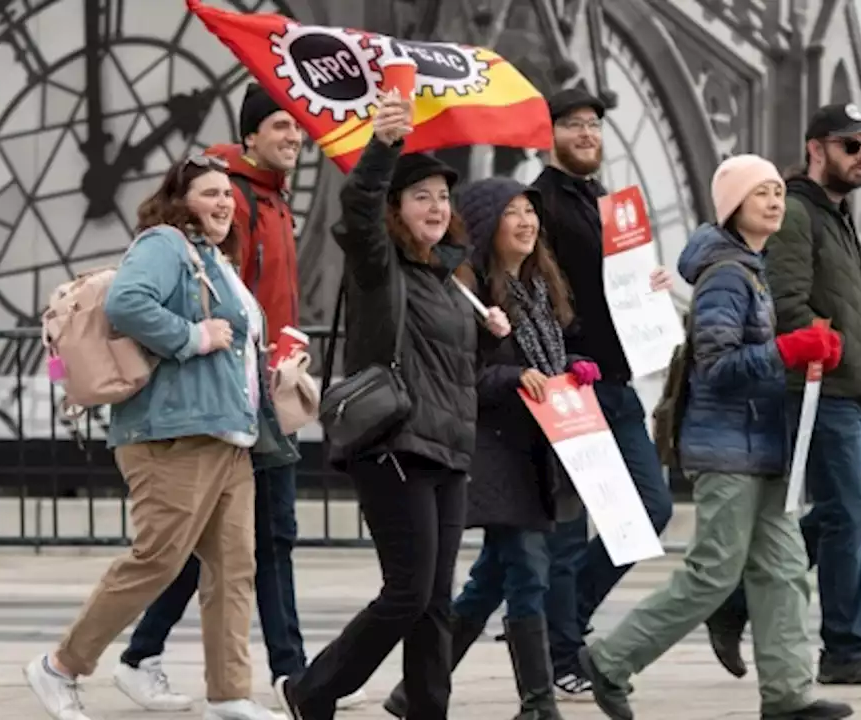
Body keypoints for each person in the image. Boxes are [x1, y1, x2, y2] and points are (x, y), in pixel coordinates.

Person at [111, 82, 369, 713]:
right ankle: (290, 675)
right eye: (281, 126)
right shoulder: (239, 199)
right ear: (250, 134)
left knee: (237, 537)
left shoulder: (274, 201)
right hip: (239, 392)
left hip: (259, 385)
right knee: (264, 533)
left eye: (299, 128)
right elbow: (218, 294)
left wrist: (288, 337)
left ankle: (144, 655)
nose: (294, 137)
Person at [578, 154, 854, 720]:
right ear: (732, 207)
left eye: (779, 191)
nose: (776, 201)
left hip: (765, 447)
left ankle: (787, 694)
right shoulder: (726, 276)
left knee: (781, 571)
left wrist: (801, 351)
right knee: (714, 573)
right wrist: (787, 349)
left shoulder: (751, 269)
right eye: (761, 194)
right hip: (727, 449)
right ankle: (610, 660)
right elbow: (718, 366)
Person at [272, 90, 511, 720]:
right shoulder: (380, 268)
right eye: (421, 196)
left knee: (436, 600)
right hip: (395, 446)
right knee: (407, 593)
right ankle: (313, 690)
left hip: (447, 452)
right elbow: (355, 209)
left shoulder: (449, 280)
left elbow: (453, 373)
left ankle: (429, 710)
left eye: (442, 197)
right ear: (398, 210)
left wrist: (490, 338)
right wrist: (383, 145)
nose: (436, 207)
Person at [24, 154, 281, 720]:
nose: (222, 204)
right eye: (210, 193)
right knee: (158, 560)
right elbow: (126, 302)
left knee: (233, 568)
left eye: (226, 196)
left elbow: (230, 340)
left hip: (226, 435)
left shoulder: (215, 260)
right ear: (180, 200)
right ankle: (60, 666)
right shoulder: (164, 244)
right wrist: (193, 337)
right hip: (172, 433)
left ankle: (229, 693)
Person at [380, 177, 601, 720]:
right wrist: (511, 376)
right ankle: (538, 702)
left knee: (491, 581)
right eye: (513, 213)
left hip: (537, 449)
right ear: (486, 224)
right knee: (528, 569)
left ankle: (414, 691)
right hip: (494, 450)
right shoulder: (468, 292)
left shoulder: (539, 287)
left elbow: (544, 361)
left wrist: (568, 372)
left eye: (530, 212)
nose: (526, 222)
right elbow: (462, 376)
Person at [704, 103, 861, 686]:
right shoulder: (796, 212)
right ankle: (842, 648)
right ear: (817, 149)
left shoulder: (833, 215)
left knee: (839, 515)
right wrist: (825, 342)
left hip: (840, 388)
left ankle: (736, 602)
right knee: (846, 514)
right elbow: (787, 301)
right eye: (850, 146)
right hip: (814, 387)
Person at [529, 86, 675, 700]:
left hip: (615, 382)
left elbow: (618, 286)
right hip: (568, 383)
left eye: (593, 124)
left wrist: (652, 285)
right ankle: (561, 652)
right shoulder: (538, 204)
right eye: (573, 125)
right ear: (549, 134)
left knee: (650, 509)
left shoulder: (608, 205)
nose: (588, 133)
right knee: (566, 532)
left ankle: (556, 623)